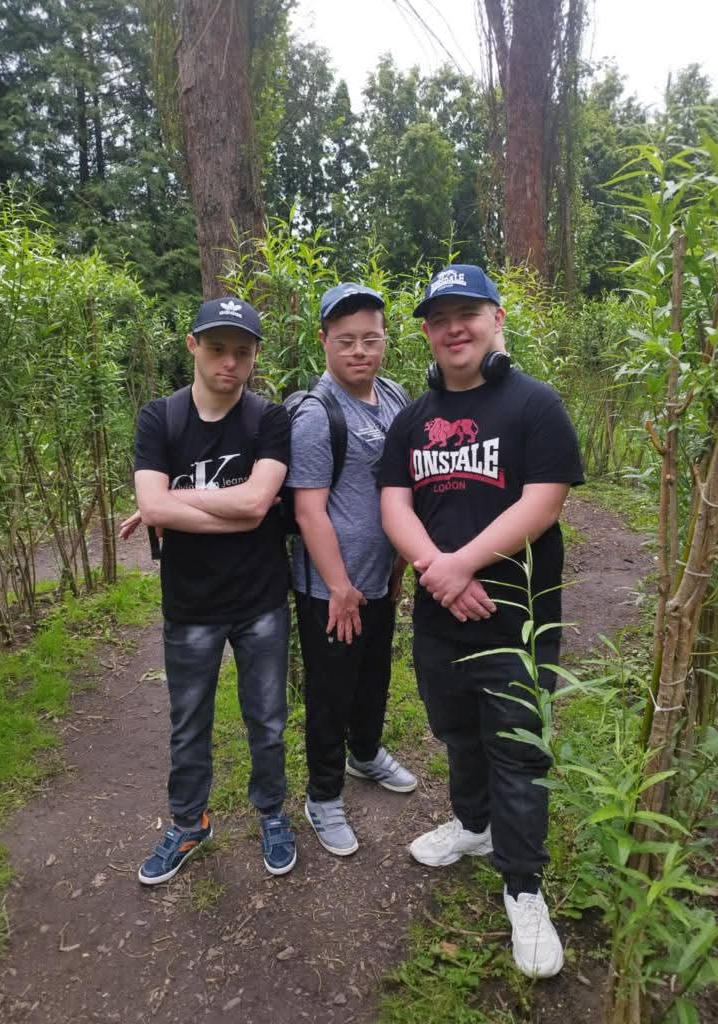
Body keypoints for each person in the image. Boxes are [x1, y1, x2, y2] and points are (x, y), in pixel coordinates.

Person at [378, 264, 584, 978]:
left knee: (518, 754)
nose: (453, 329)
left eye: (466, 313)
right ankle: (472, 825)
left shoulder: (535, 405)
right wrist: (437, 569)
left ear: (496, 318)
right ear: (427, 335)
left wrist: (457, 565)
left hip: (515, 622)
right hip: (440, 620)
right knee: (457, 732)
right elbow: (395, 503)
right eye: (438, 320)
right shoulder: (412, 419)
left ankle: (523, 886)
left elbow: (543, 501)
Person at [122, 296, 296, 883]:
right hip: (190, 603)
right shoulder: (160, 419)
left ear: (255, 356)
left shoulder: (269, 420)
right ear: (193, 346)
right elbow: (159, 508)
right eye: (218, 348)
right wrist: (166, 508)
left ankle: (271, 812)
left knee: (267, 720)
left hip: (261, 600)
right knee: (188, 722)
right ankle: (189, 821)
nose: (230, 362)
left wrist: (172, 502)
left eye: (242, 352)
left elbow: (256, 503)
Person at [288, 283, 417, 857]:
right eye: (346, 341)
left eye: (370, 338)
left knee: (374, 676)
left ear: (385, 339)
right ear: (323, 341)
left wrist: (398, 565)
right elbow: (309, 511)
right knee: (330, 691)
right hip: (330, 588)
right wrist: (339, 586)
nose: (360, 351)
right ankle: (323, 795)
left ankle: (364, 753)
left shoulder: (394, 396)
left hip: (379, 577)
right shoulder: (318, 415)